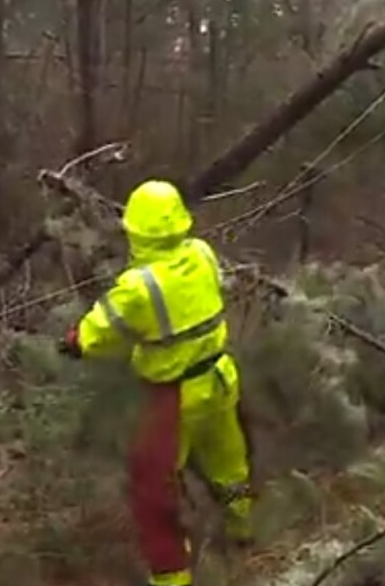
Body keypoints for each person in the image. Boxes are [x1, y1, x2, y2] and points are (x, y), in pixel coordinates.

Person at [59, 179, 252, 586]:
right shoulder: (202, 252)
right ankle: (243, 527)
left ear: (136, 231)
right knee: (228, 463)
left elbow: (98, 332)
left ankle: (172, 580)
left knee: (154, 495)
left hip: (175, 398)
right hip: (220, 377)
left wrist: (75, 341)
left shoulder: (138, 287)